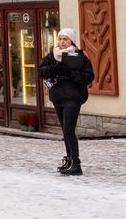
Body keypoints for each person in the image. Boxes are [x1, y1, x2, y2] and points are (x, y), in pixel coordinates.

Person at [38, 28, 94, 176]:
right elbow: (41, 71)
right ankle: (69, 160)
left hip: (73, 98)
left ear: (71, 41)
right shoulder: (53, 55)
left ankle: (76, 163)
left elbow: (88, 76)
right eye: (60, 39)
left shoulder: (79, 56)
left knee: (69, 129)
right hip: (58, 97)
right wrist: (54, 68)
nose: (62, 42)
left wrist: (70, 73)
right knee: (65, 131)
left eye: (65, 39)